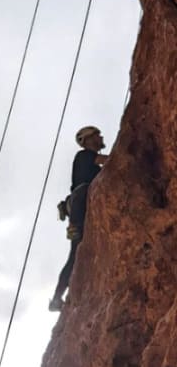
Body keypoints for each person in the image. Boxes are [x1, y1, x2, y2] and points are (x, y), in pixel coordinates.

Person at [49, 125, 108, 311]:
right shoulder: (84, 156)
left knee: (76, 253)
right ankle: (57, 298)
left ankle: (58, 297)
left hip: (77, 206)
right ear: (88, 140)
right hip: (80, 203)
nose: (101, 137)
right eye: (97, 135)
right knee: (75, 253)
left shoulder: (90, 166)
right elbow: (109, 161)